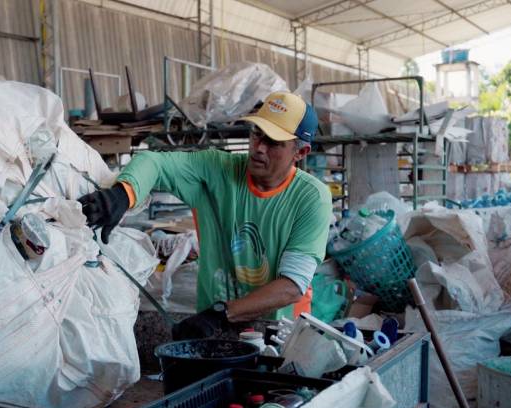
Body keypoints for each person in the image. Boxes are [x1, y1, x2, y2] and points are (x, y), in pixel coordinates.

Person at [79, 92, 332, 339]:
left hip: (278, 331)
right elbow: (154, 162)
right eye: (257, 134)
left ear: (300, 152)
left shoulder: (310, 198)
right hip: (214, 325)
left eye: (274, 142)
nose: (259, 148)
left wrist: (222, 313)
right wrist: (123, 194)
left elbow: (291, 287)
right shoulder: (216, 170)